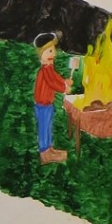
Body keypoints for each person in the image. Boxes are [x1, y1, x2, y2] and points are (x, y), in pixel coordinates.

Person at [33, 31, 72, 164]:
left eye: (53, 50)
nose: (53, 54)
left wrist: (64, 82)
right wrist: (63, 88)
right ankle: (44, 153)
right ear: (41, 54)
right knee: (44, 128)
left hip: (47, 104)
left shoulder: (49, 68)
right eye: (50, 51)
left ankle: (49, 149)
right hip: (42, 105)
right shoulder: (45, 70)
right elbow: (52, 82)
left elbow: (56, 78)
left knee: (48, 127)